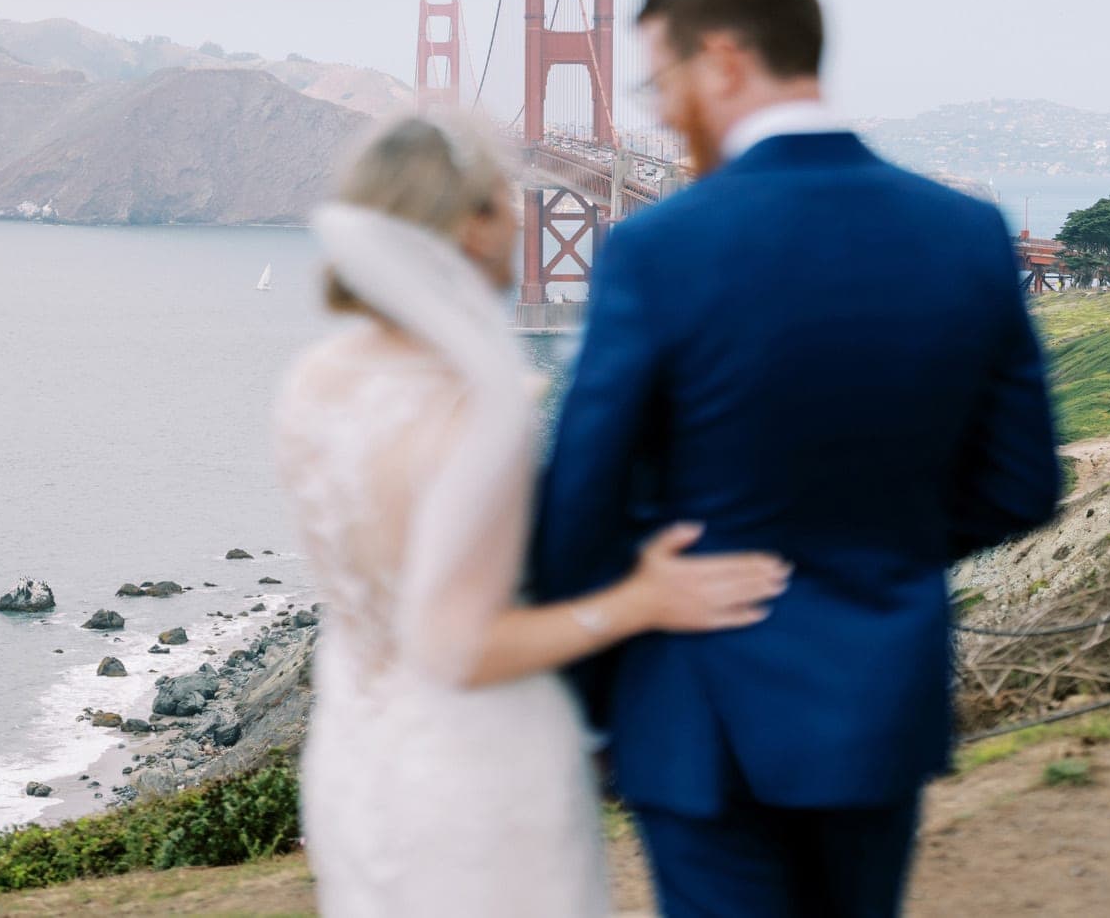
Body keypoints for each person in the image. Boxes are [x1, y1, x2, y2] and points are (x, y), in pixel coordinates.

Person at [534, 0, 1063, 918]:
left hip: (696, 710)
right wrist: (878, 550)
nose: (655, 112)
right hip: (876, 700)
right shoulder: (963, 235)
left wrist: (598, 672)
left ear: (724, 58)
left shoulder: (657, 247)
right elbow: (1022, 483)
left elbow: (577, 501)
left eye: (661, 79)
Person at [273, 114, 792, 918]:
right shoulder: (479, 404)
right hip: (479, 770)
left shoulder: (313, 382)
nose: (526, 212)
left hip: (354, 757)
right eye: (504, 197)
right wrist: (642, 600)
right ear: (469, 226)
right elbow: (456, 647)